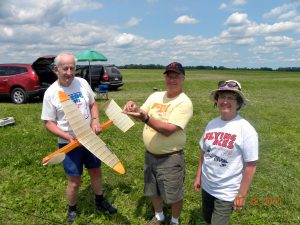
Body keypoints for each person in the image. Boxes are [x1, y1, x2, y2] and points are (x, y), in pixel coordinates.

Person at [41, 52, 117, 224]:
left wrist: (96, 121)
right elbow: (49, 123)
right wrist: (67, 137)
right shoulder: (51, 93)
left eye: (72, 68)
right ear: (56, 70)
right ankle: (72, 209)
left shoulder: (82, 83)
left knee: (96, 171)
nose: (69, 72)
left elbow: (93, 104)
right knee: (74, 181)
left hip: (90, 138)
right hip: (69, 143)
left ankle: (100, 200)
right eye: (64, 68)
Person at [123, 62, 193, 225]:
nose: (172, 79)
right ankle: (159, 216)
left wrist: (145, 118)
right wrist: (133, 106)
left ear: (183, 78)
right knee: (152, 188)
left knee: (174, 194)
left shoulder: (184, 102)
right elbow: (142, 112)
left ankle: (175, 221)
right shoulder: (156, 96)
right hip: (150, 155)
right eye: (169, 76)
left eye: (176, 76)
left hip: (170, 158)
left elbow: (168, 129)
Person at [193, 80, 258, 225]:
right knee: (207, 219)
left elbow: (251, 165)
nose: (225, 101)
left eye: (231, 97)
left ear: (239, 103)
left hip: (226, 192)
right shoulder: (212, 124)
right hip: (207, 186)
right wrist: (198, 176)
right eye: (222, 96)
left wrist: (241, 194)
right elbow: (204, 152)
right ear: (217, 100)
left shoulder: (246, 130)